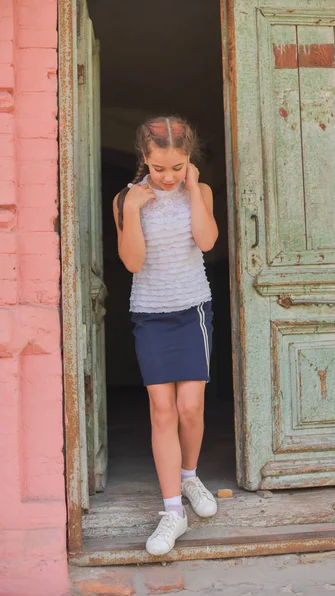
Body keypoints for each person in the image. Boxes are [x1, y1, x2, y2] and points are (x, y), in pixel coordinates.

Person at [113, 116, 219, 556]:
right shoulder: (126, 199)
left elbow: (207, 240)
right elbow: (133, 263)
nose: (168, 176)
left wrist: (193, 189)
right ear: (145, 159)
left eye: (178, 167)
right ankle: (172, 511)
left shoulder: (200, 191)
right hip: (151, 315)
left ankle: (190, 476)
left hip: (192, 309)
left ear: (188, 160)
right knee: (162, 410)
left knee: (189, 407)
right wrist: (136, 208)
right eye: (160, 168)